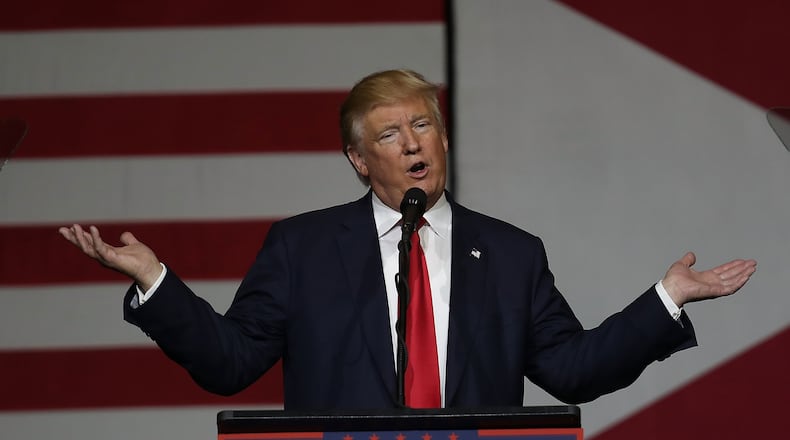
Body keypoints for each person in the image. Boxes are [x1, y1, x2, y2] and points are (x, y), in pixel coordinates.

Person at [59, 69, 756, 411]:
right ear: (360, 161)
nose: (413, 143)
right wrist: (156, 281)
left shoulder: (511, 255)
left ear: (444, 138)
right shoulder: (303, 249)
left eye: (423, 125)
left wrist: (664, 298)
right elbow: (231, 363)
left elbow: (572, 371)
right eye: (390, 135)